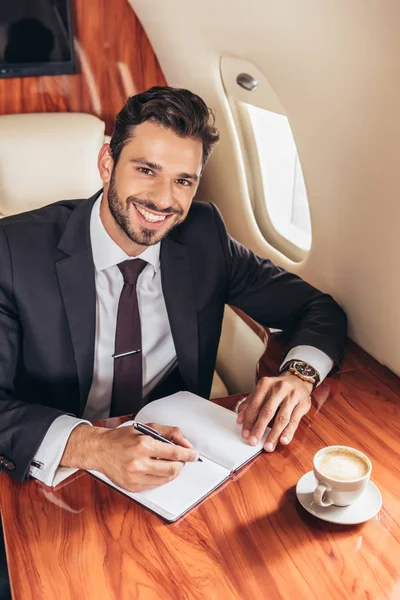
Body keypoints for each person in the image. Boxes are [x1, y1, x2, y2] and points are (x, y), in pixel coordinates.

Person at [0, 86, 347, 493]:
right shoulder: (13, 251)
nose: (164, 200)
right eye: (146, 170)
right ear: (107, 163)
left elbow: (317, 308)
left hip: (179, 465)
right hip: (58, 470)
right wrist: (92, 446)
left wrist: (298, 376)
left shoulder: (204, 236)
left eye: (183, 180)